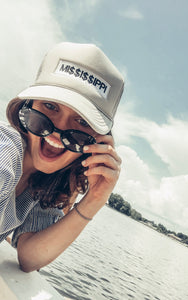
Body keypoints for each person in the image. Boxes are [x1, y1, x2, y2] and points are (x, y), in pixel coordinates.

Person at [0, 42, 124, 272]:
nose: (58, 130)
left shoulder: (44, 183)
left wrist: (95, 199)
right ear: (28, 105)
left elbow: (29, 258)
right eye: (50, 106)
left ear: (96, 142)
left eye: (82, 122)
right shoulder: (5, 151)